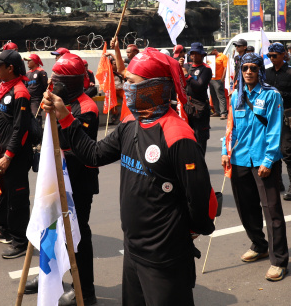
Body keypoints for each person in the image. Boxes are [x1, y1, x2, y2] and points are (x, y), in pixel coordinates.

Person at [42, 47, 217, 306]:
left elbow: (202, 199)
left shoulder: (177, 135)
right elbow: (94, 155)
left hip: (165, 255)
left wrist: (186, 233)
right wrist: (66, 118)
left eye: (133, 83)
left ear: (155, 87)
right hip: (133, 250)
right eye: (126, 82)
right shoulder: (129, 125)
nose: (127, 89)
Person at [24, 53, 100, 305]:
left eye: (59, 81)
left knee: (78, 232)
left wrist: (59, 113)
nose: (53, 85)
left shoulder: (86, 107)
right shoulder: (55, 100)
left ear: (74, 82)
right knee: (49, 226)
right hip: (53, 176)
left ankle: (85, 290)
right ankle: (49, 276)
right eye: (52, 80)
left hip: (77, 179)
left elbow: (76, 144)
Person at [224, 52, 289, 281]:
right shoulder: (235, 96)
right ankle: (259, 244)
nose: (249, 72)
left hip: (263, 160)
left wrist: (269, 160)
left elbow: (275, 129)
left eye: (253, 68)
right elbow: (230, 127)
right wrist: (225, 151)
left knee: (272, 211)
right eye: (245, 68)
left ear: (260, 70)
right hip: (239, 158)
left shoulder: (271, 95)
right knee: (245, 207)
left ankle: (279, 260)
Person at [0, 49, 33, 259]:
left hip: (15, 157)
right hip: (1, 154)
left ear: (10, 68)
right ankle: (3, 228)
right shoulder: (5, 88)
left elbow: (21, 129)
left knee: (17, 198)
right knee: (4, 192)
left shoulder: (20, 92)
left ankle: (20, 240)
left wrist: (8, 156)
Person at [265, 43, 291, 201]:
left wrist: (280, 94)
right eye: (269, 56)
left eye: (275, 55)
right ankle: (277, 182)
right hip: (268, 117)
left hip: (285, 115)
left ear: (283, 55)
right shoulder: (266, 73)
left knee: (287, 150)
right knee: (272, 150)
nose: (272, 58)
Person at [184, 42, 212, 154]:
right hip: (188, 107)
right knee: (188, 137)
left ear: (202, 55)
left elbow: (199, 86)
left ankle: (200, 166)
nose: (194, 56)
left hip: (200, 108)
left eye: (197, 53)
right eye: (192, 54)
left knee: (200, 139)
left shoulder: (206, 69)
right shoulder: (187, 66)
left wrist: (187, 76)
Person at [208, 48, 229, 120]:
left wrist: (223, 78)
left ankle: (223, 113)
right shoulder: (210, 58)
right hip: (211, 79)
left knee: (220, 96)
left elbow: (225, 68)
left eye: (211, 52)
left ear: (215, 50)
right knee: (213, 95)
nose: (211, 54)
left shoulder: (223, 56)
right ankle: (217, 111)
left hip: (218, 79)